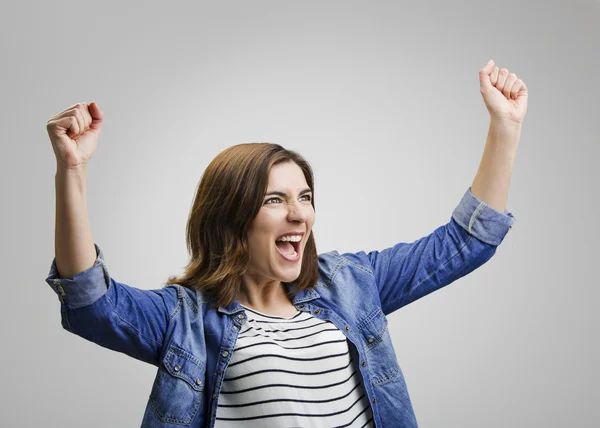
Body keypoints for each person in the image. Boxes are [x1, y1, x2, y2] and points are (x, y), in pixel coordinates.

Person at [44, 60, 526, 428]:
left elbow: (463, 244)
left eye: (305, 197)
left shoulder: (351, 283)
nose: (300, 214)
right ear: (231, 215)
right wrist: (73, 171)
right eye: (275, 199)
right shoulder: (185, 320)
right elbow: (91, 302)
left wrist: (505, 127)